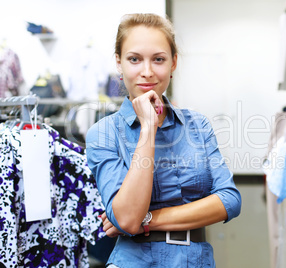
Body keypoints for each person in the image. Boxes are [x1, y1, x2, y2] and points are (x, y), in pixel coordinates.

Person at [85, 13, 242, 267]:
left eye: (158, 59)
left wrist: (146, 219)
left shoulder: (198, 125)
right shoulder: (103, 133)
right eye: (134, 59)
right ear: (119, 63)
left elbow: (229, 200)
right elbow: (126, 218)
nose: (147, 72)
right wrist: (148, 128)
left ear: (173, 63)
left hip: (197, 260)